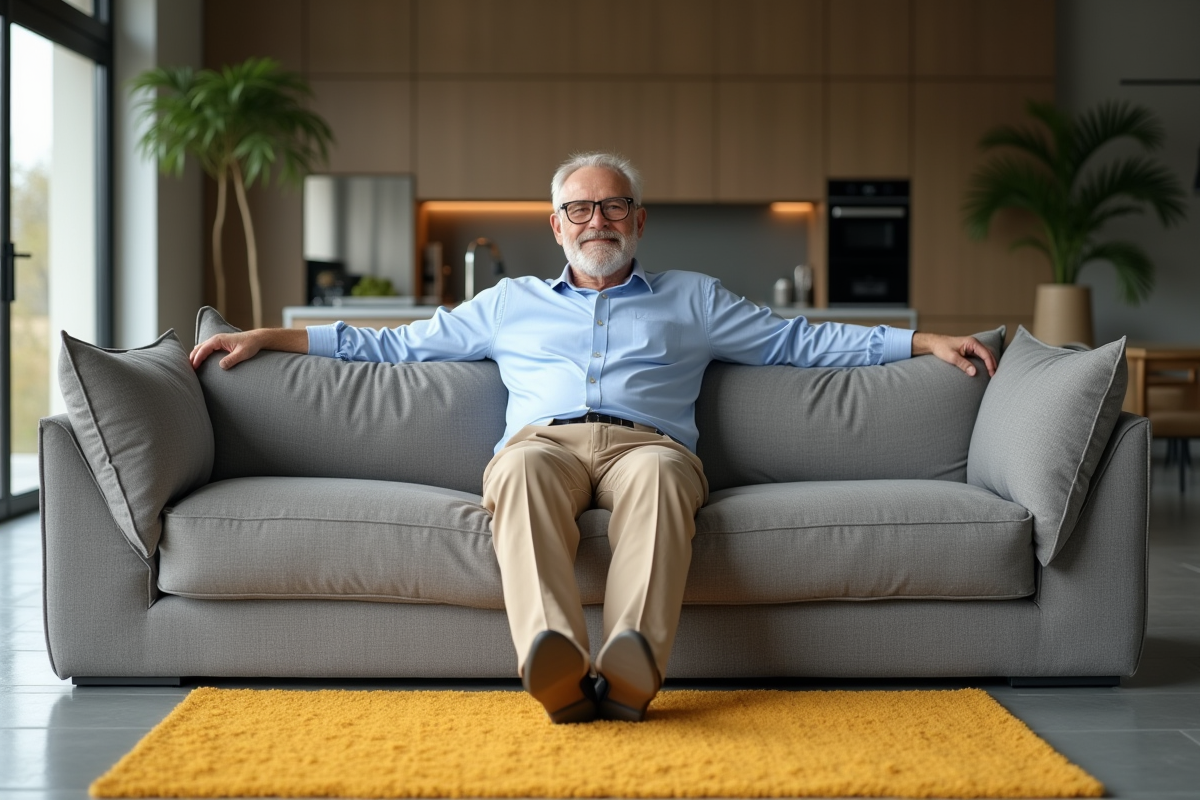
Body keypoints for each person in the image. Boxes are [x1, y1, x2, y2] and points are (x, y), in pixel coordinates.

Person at [191, 152, 997, 724]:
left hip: (650, 446)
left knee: (660, 482)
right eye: (581, 207)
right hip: (542, 443)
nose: (597, 219)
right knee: (520, 476)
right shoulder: (508, 303)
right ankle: (553, 655)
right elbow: (395, 342)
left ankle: (632, 664)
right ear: (556, 223)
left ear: (638, 220)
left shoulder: (694, 297)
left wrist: (919, 342)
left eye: (613, 206)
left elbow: (801, 341)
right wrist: (270, 336)